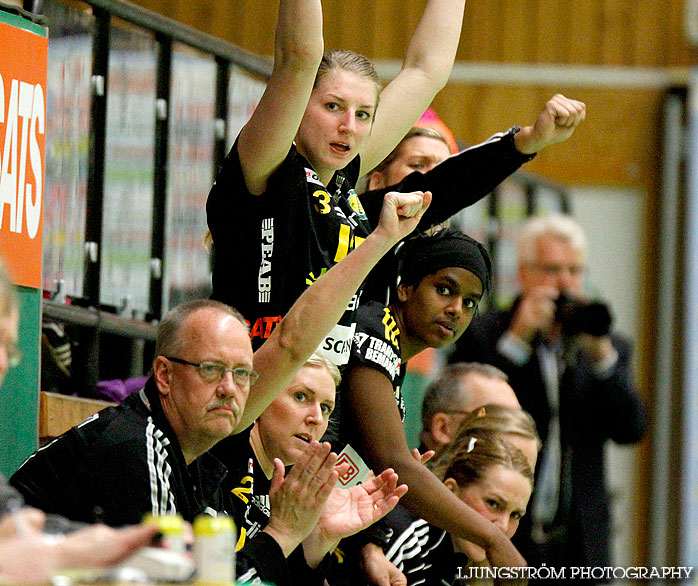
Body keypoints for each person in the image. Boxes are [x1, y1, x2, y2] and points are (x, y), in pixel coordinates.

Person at [11, 190, 430, 585]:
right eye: (211, 370)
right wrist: (282, 533)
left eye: (243, 374)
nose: (231, 389)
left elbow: (292, 343)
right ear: (164, 376)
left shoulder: (203, 452)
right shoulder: (138, 447)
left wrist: (314, 538)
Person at [207, 0, 481, 357]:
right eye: (333, 107)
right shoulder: (265, 168)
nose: (349, 127)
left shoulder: (345, 177)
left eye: (363, 115)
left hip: (319, 397)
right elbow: (298, 58)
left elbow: (426, 70)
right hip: (249, 390)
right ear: (300, 108)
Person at [449, 213, 647, 581]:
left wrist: (602, 357)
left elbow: (631, 428)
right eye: (552, 270)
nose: (565, 284)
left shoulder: (606, 346)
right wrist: (519, 340)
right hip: (505, 535)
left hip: (581, 544)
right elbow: (468, 413)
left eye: (574, 271)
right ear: (524, 273)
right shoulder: (487, 333)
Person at [335, 227, 530, 573]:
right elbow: (392, 459)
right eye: (444, 290)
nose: (456, 309)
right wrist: (493, 539)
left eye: (470, 302)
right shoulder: (373, 328)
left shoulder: (397, 353)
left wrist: (369, 545)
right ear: (406, 288)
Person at [0, 260, 159, 585]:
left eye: (9, 347)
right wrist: (57, 555)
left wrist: (115, 544)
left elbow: (13, 521)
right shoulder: (126, 442)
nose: (4, 362)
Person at [358, 95, 586, 304]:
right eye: (418, 166)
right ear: (376, 182)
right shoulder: (353, 219)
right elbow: (449, 183)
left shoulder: (445, 259)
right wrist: (529, 140)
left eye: (441, 167)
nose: (430, 179)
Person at [213, 353, 407, 583]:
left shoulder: (297, 493)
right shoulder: (222, 454)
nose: (316, 418)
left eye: (325, 408)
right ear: (263, 393)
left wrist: (318, 540)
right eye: (301, 396)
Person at [384, 429, 534, 586]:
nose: (502, 527)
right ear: (450, 491)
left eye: (515, 515)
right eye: (493, 503)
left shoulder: (455, 568)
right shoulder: (408, 537)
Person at [419, 362, 520, 454]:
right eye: (496, 420)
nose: (515, 437)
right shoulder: (406, 474)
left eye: (520, 423)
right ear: (443, 428)